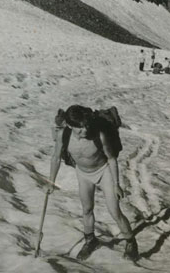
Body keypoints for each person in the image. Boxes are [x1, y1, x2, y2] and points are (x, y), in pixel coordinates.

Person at [49, 105, 138, 261]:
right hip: (83, 174)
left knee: (114, 211)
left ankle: (131, 241)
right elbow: (55, 157)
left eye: (86, 127)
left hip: (104, 172)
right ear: (70, 125)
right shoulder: (64, 135)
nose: (85, 131)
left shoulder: (99, 135)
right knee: (87, 209)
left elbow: (111, 158)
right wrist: (51, 181)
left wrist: (117, 184)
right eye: (80, 128)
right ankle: (91, 240)